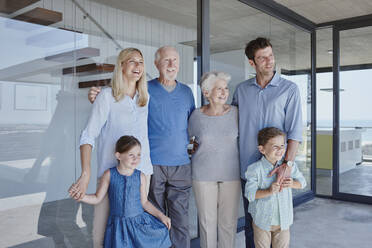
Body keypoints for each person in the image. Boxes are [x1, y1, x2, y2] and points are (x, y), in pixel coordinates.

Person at [88, 46, 195, 247]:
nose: (171, 65)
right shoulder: (146, 89)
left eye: (175, 60)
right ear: (156, 64)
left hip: (176, 165)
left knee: (179, 220)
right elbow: (118, 92)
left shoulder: (186, 92)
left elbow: (192, 124)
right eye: (166, 60)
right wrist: (96, 94)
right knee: (149, 221)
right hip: (152, 165)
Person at [69, 47, 153, 248]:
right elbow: (88, 135)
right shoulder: (106, 96)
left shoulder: (145, 98)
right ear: (121, 65)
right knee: (101, 233)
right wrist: (85, 173)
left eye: (141, 62)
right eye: (132, 61)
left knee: (133, 232)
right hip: (111, 174)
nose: (138, 66)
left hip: (142, 172)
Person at [232, 37, 303, 248]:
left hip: (276, 169)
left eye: (270, 55)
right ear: (252, 63)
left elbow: (295, 132)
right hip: (249, 168)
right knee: (252, 223)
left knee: (278, 224)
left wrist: (287, 166)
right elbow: (230, 126)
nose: (269, 61)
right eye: (262, 58)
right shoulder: (241, 90)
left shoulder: (289, 89)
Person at [69, 135, 171, 248]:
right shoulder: (109, 175)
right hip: (118, 228)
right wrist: (81, 196)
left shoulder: (141, 176)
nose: (136, 159)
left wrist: (162, 216)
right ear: (118, 155)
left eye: (138, 155)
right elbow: (97, 198)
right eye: (131, 155)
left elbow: (145, 203)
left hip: (138, 226)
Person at [188, 71, 241, 248]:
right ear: (206, 93)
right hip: (203, 176)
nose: (224, 92)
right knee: (206, 223)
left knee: (228, 223)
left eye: (225, 88)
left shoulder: (236, 113)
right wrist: (190, 149)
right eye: (219, 89)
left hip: (231, 175)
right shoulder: (196, 115)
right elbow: (188, 142)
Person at [245, 127, 306, 248]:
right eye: (275, 146)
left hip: (283, 221)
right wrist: (268, 191)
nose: (280, 150)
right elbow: (249, 194)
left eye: (282, 146)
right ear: (262, 149)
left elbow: (302, 183)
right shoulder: (254, 169)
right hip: (261, 221)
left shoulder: (290, 167)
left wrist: (292, 183)